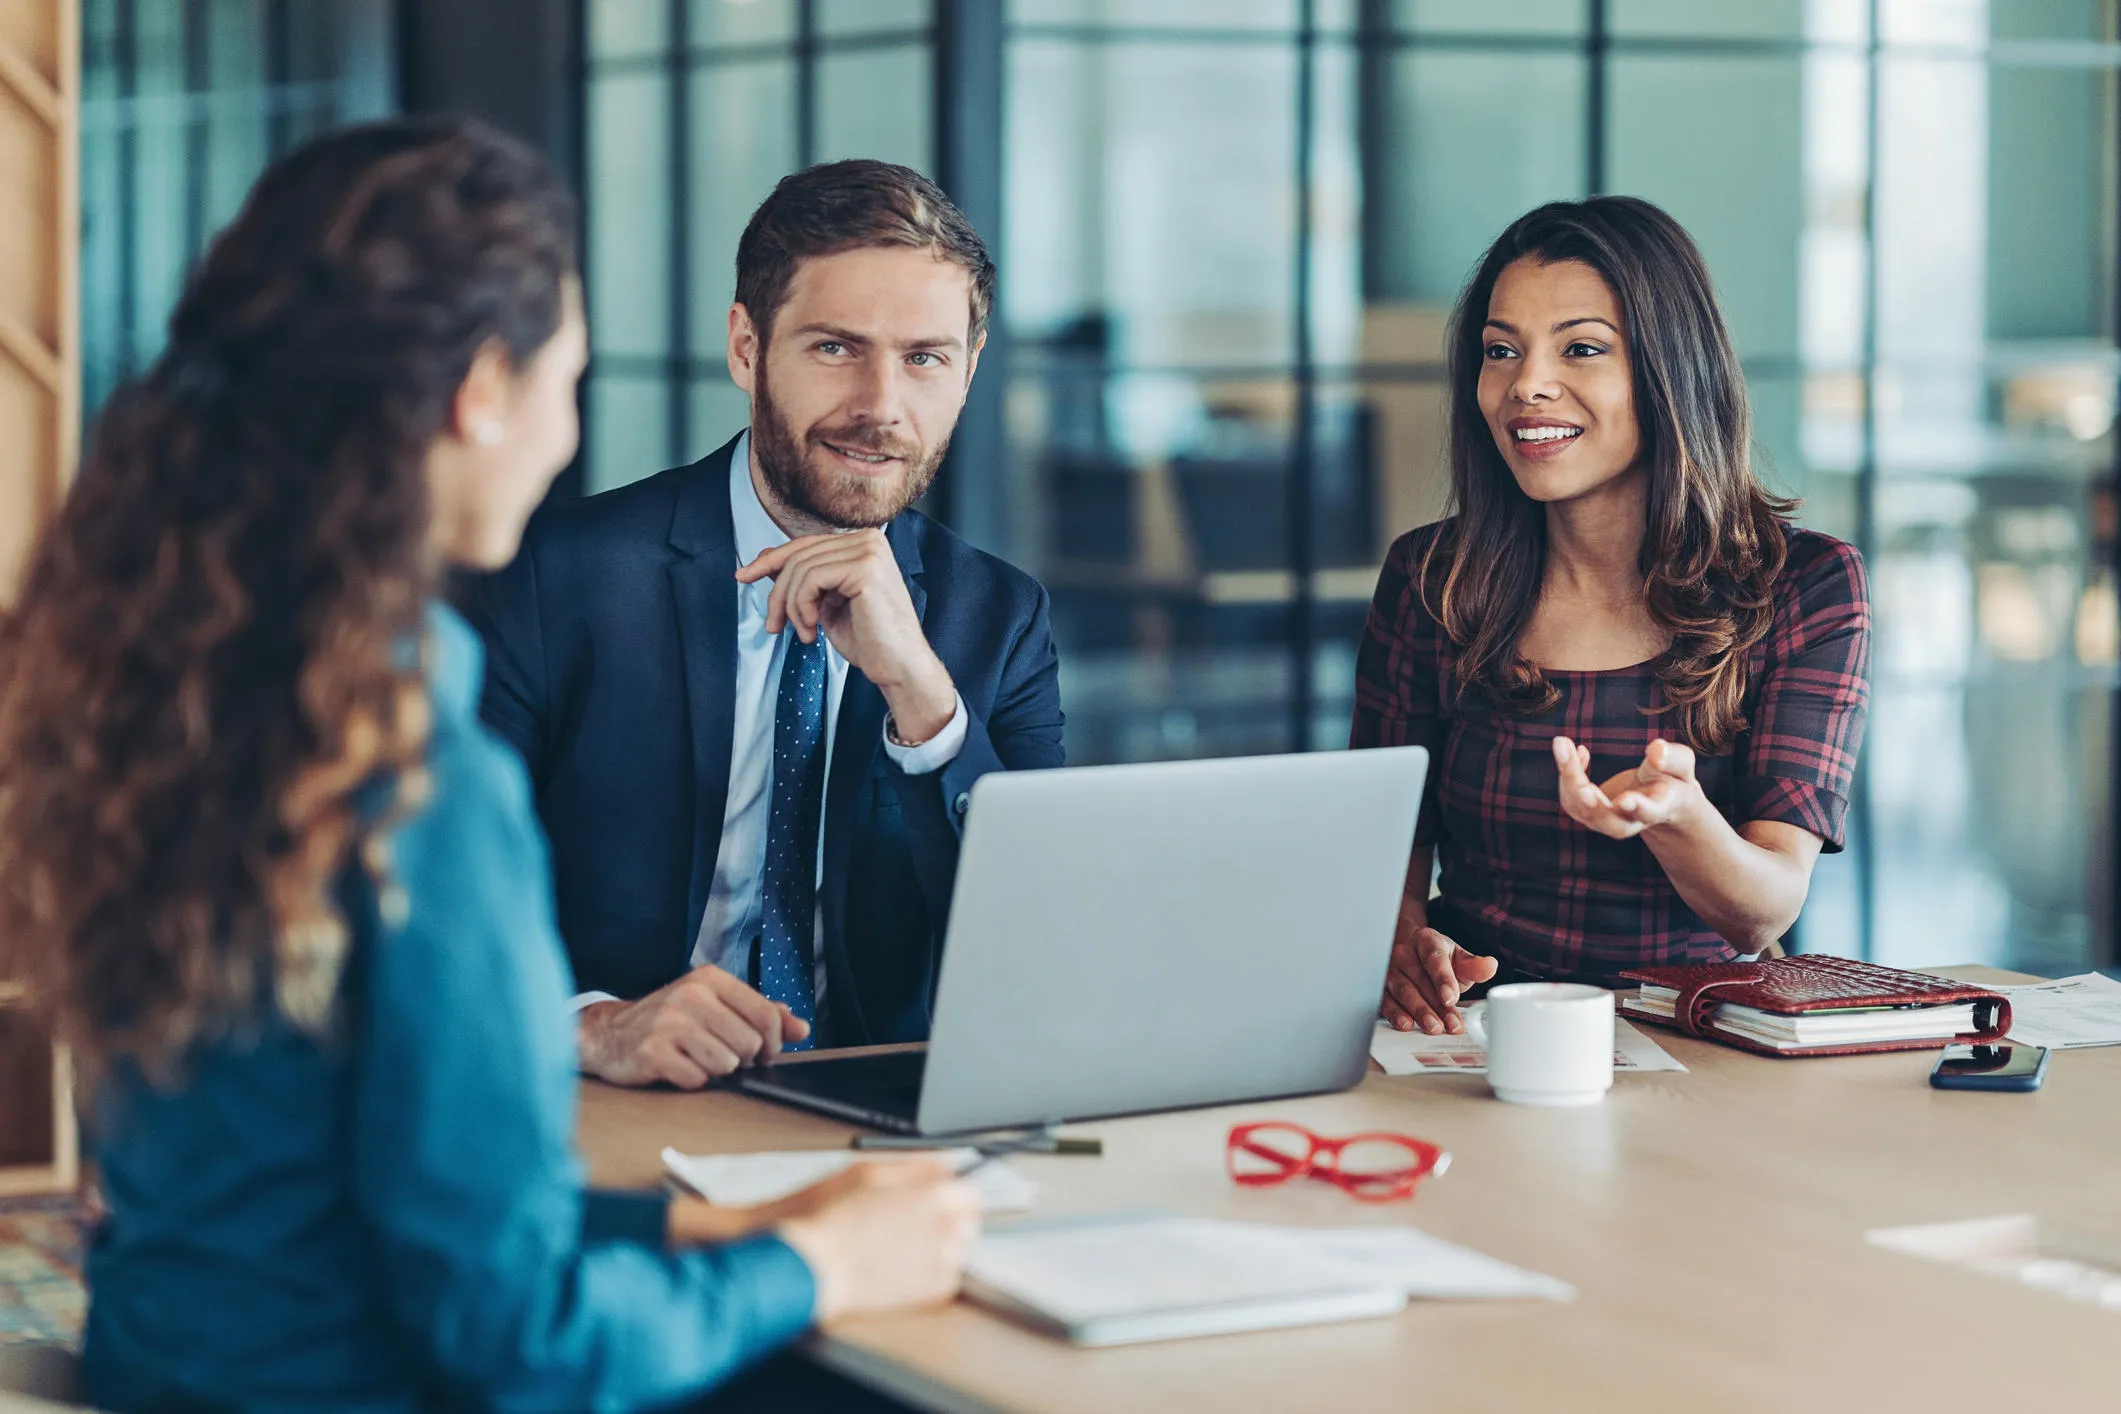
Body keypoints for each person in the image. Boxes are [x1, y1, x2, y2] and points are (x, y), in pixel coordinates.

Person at [0, 119, 976, 1412]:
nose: (567, 435)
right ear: (480, 389)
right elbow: (524, 1344)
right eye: (566, 381)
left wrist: (708, 1227)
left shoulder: (195, 687)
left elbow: (355, 1211)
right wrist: (817, 1261)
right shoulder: (408, 773)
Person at [462, 160, 1064, 1088]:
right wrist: (589, 1026)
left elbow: (1039, 944)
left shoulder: (999, 617)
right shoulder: (550, 577)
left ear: (970, 368)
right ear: (747, 346)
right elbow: (425, 906)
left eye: (924, 358)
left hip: (876, 1112)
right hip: (609, 1101)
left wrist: (923, 699)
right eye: (834, 348)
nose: (881, 407)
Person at [1351, 197, 1872, 1037]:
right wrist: (1403, 946)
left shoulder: (1802, 585)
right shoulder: (1431, 577)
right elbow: (1385, 847)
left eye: (1582, 348)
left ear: (1671, 368)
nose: (1526, 386)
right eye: (1500, 351)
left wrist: (1678, 818)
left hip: (1700, 1035)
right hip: (1471, 1032)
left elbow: (1764, 911)